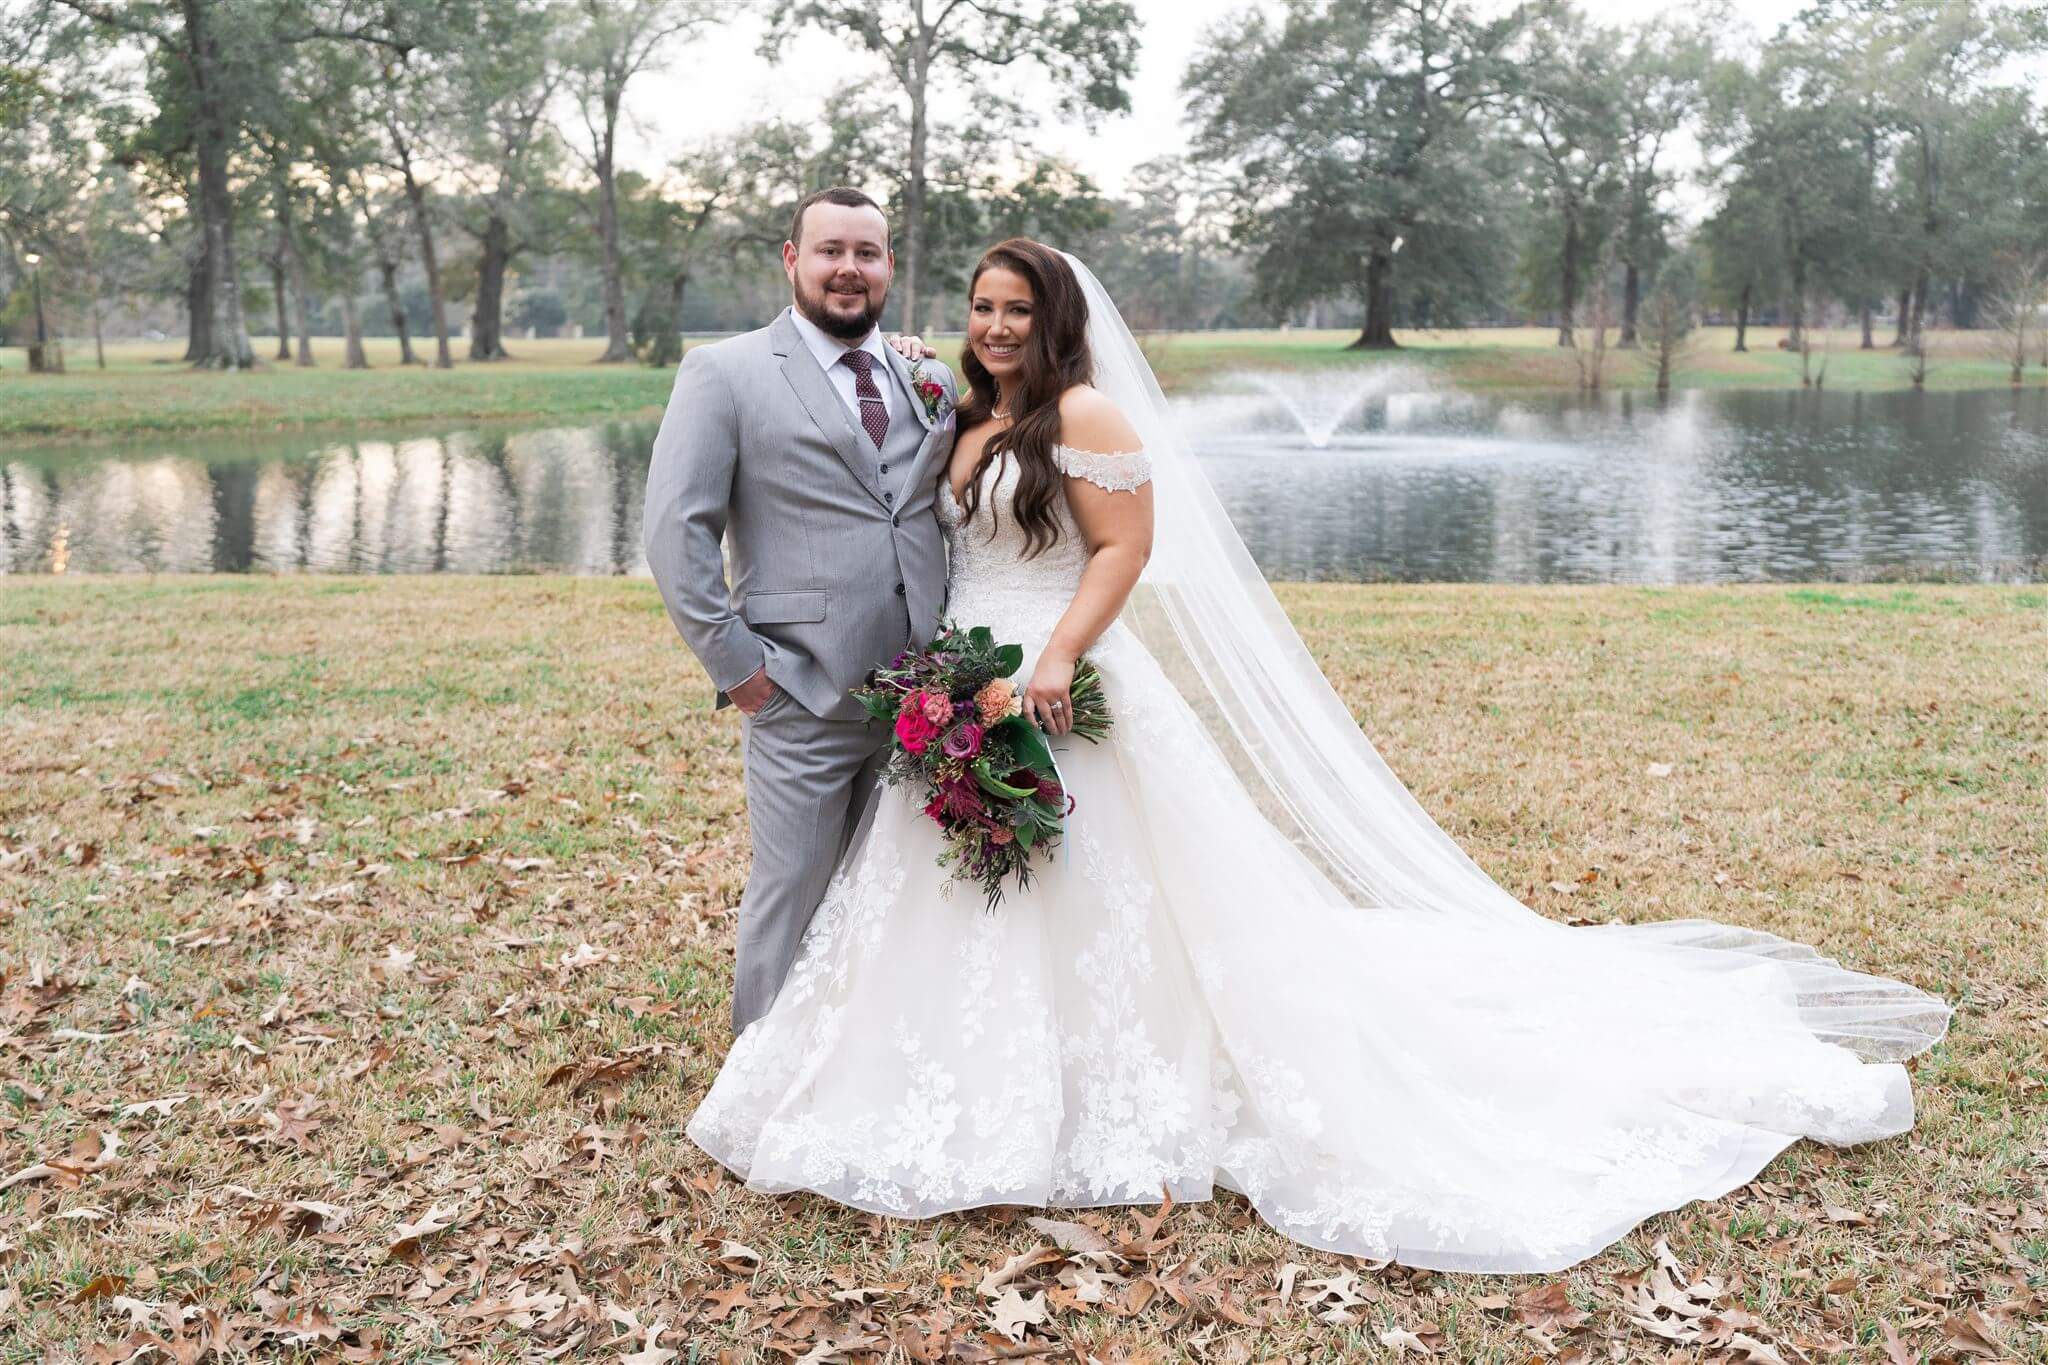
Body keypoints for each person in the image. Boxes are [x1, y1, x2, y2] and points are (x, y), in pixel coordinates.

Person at [683, 238, 1952, 1274]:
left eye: (1018, 308)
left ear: (1058, 317)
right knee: (944, 897)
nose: (996, 324)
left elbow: (1124, 549)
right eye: (980, 305)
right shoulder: (957, 405)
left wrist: (1058, 656)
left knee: (1108, 898)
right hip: (964, 681)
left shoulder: (1082, 411)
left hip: (1056, 681)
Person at [642, 187, 957, 1031]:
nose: (849, 269)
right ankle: (759, 1091)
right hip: (801, 691)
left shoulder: (922, 373)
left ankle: (860, 1066)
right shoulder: (727, 372)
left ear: (890, 265)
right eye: (830, 251)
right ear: (792, 260)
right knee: (794, 891)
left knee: (890, 896)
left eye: (868, 252)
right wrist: (741, 670)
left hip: (925, 701)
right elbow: (676, 533)